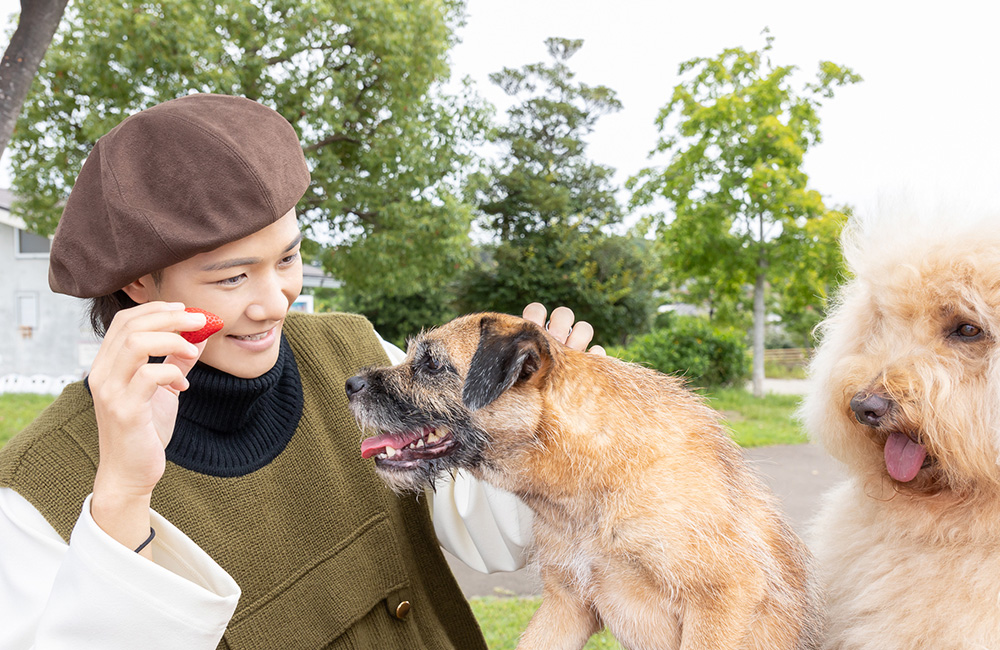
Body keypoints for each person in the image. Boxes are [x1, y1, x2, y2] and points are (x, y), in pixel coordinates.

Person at [0, 94, 601, 649]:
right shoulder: (32, 493)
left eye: (287, 258)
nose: (274, 301)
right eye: (232, 277)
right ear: (137, 282)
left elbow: (496, 535)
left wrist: (549, 422)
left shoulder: (353, 352)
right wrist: (123, 496)